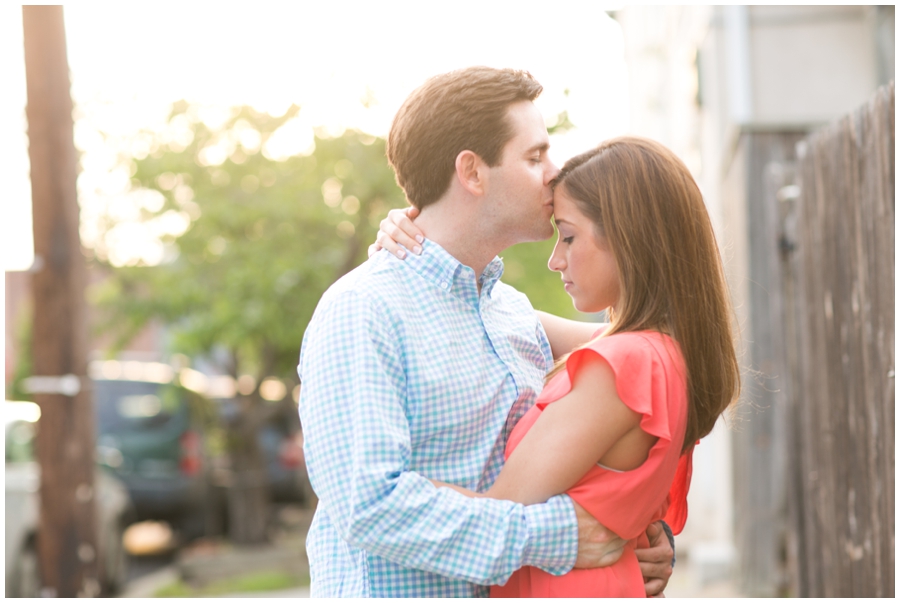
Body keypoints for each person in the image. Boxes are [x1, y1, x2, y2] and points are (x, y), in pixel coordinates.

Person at [297, 67, 674, 598]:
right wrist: (562, 537)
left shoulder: (511, 314)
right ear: (472, 173)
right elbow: (370, 506)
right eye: (534, 156)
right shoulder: (363, 310)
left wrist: (637, 532)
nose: (555, 172)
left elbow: (645, 367)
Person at [375, 136, 741, 596]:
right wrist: (424, 241)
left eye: (568, 236)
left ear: (630, 238)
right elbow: (501, 317)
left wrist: (379, 498)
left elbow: (500, 513)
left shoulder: (623, 363)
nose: (555, 259)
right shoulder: (659, 351)